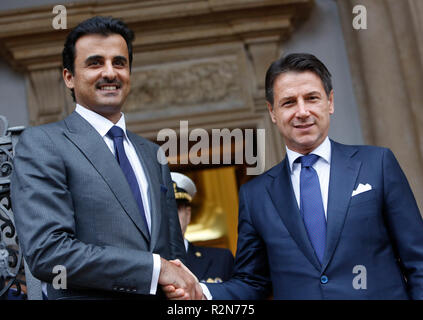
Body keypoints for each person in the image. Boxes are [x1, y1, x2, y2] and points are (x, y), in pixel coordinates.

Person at [165, 53, 423, 300]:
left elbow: (418, 259)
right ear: (273, 112)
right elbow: (252, 282)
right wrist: (200, 291)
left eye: (312, 98)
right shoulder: (256, 196)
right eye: (289, 102)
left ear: (329, 102)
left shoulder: (376, 164)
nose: (302, 111)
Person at [10, 16, 202, 300]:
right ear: (69, 77)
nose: (110, 72)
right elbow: (49, 253)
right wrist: (154, 269)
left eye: (119, 63)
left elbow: (173, 256)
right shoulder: (43, 144)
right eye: (95, 63)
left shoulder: (152, 154)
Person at [171, 172, 234, 283]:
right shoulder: (146, 266)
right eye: (163, 210)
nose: (171, 217)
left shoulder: (221, 260)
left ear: (188, 214)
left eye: (176, 209)